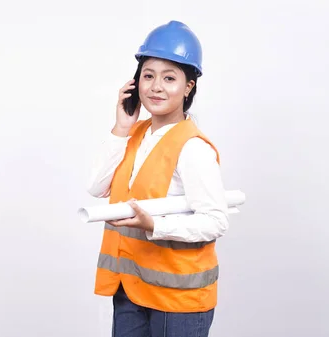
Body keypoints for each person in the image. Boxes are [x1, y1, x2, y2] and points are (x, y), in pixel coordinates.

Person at [86, 20, 232, 337]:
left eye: (169, 78)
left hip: (177, 299)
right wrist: (121, 127)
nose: (156, 87)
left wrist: (155, 225)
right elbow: (97, 188)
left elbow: (215, 221)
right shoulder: (134, 135)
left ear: (189, 86)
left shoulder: (192, 147)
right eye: (148, 76)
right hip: (131, 289)